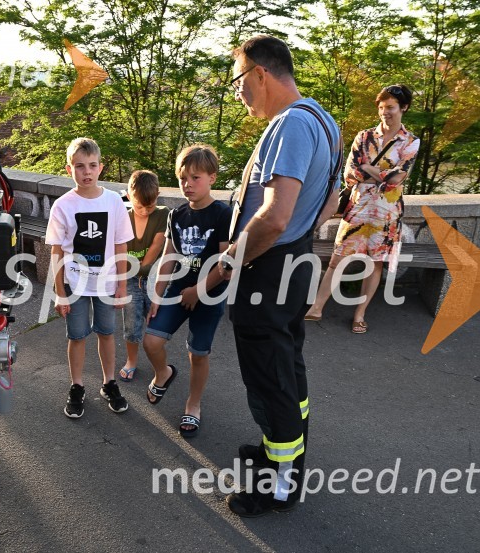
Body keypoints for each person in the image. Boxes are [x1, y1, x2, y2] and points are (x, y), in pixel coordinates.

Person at [218, 35, 341, 516]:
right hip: (296, 261)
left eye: (237, 82)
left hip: (267, 270)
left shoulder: (290, 126)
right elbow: (331, 202)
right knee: (287, 371)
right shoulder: (323, 120)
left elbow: (273, 217)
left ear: (259, 74)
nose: (238, 94)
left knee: (269, 379)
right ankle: (284, 457)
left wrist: (232, 259)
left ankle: (278, 485)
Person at [305, 85, 421, 333]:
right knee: (338, 259)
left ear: (404, 107)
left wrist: (368, 168)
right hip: (358, 209)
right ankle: (316, 307)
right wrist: (378, 174)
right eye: (381, 107)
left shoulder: (411, 141)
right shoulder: (364, 137)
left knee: (375, 263)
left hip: (387, 213)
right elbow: (350, 174)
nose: (384, 112)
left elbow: (397, 179)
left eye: (390, 107)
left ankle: (360, 313)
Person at [143, 144, 232, 439]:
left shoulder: (222, 214)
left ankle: (193, 404)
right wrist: (157, 293)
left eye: (196, 178)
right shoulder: (176, 214)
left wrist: (198, 291)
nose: (188, 184)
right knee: (151, 341)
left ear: (212, 178)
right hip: (179, 288)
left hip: (209, 292)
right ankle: (163, 374)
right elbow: (168, 256)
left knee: (198, 353)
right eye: (183, 178)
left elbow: (224, 264)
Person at [45, 137, 134, 419]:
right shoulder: (62, 205)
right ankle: (77, 385)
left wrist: (121, 285)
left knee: (107, 333)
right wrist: (60, 292)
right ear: (69, 169)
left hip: (107, 284)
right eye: (80, 166)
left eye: (92, 165)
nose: (87, 172)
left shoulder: (114, 202)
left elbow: (121, 245)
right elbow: (57, 252)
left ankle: (109, 382)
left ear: (101, 167)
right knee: (78, 335)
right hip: (75, 284)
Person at [119, 170, 169, 383]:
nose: (145, 211)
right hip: (129, 280)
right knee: (131, 324)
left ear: (157, 195)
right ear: (129, 197)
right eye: (139, 206)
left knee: (157, 323)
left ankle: (158, 361)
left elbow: (154, 251)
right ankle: (131, 360)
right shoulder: (122, 216)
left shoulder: (163, 214)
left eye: (150, 206)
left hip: (153, 280)